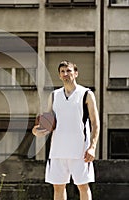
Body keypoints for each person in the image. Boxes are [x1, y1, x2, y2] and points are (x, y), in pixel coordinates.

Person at [32, 60, 100, 200]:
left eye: (68, 71)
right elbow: (46, 125)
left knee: (83, 187)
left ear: (76, 73)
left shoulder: (86, 94)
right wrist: (36, 131)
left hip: (80, 151)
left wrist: (92, 147)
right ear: (59, 75)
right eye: (62, 71)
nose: (65, 74)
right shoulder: (54, 95)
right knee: (58, 187)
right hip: (57, 151)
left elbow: (95, 123)